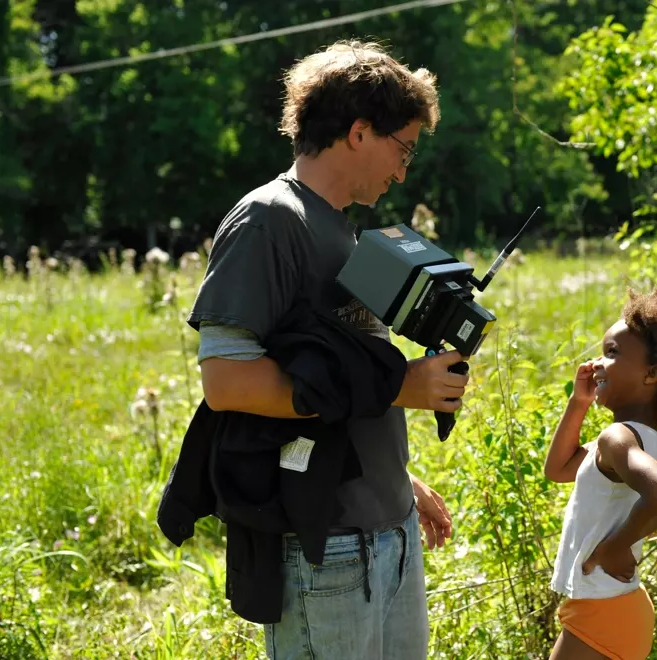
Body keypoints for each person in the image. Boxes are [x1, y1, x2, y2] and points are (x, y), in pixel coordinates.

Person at [186, 40, 467, 659]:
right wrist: (401, 386)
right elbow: (226, 382)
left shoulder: (341, 229)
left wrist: (397, 479)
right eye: (403, 148)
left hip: (387, 534)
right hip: (326, 551)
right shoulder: (269, 220)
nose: (402, 171)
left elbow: (336, 382)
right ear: (360, 131)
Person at [543, 288, 657, 660]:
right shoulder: (637, 439)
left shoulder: (618, 438)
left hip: (604, 609)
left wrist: (616, 546)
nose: (597, 363)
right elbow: (558, 469)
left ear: (652, 373)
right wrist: (578, 403)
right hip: (611, 605)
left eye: (612, 353)